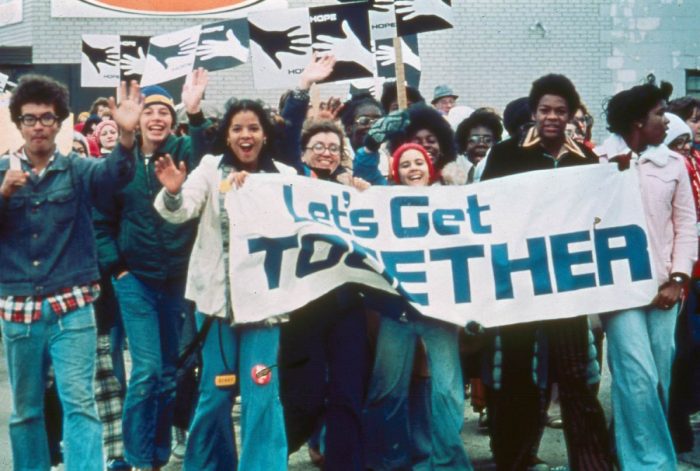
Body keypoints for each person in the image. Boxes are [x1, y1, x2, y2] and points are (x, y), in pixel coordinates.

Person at [0, 75, 141, 470]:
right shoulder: (1, 172)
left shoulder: (78, 169)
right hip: (18, 309)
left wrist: (127, 138)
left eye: (47, 117)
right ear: (19, 123)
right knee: (26, 410)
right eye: (30, 119)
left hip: (73, 306)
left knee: (80, 403)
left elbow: (115, 177)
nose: (39, 125)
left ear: (61, 122)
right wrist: (3, 195)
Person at [154, 98, 296, 471]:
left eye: (253, 128)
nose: (245, 135)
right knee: (216, 392)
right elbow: (180, 209)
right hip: (216, 308)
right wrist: (172, 191)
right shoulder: (209, 168)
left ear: (264, 135)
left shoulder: (284, 175)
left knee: (261, 390)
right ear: (227, 135)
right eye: (237, 128)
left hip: (265, 310)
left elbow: (306, 225)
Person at [482, 74, 613, 471]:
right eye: (544, 110)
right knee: (519, 377)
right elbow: (486, 209)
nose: (552, 117)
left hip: (568, 285)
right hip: (520, 283)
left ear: (572, 115)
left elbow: (600, 215)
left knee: (576, 377)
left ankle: (593, 464)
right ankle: (514, 460)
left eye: (559, 110)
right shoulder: (506, 154)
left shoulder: (586, 159)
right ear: (533, 112)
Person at [94, 68, 210, 470]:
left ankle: (158, 455)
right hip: (135, 280)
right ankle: (134, 456)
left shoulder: (183, 150)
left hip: (179, 281)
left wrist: (194, 114)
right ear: (137, 118)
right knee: (144, 371)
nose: (157, 118)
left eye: (164, 111)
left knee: (168, 374)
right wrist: (118, 270)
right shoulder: (120, 163)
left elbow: (208, 157)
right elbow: (101, 221)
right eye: (149, 111)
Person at [596, 82, 697, 469]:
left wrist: (678, 278)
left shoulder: (675, 164)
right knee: (635, 377)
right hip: (618, 289)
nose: (665, 120)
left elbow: (686, 225)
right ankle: (652, 464)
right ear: (638, 121)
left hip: (664, 290)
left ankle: (629, 453)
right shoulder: (597, 159)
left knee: (658, 378)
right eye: (659, 113)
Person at [363, 143, 473, 470]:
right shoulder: (383, 203)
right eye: (406, 164)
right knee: (388, 390)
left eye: (419, 162)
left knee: (448, 393)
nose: (413, 169)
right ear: (396, 172)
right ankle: (391, 461)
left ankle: (448, 463)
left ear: (430, 167)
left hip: (439, 313)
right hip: (396, 311)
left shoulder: (448, 200)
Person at [455, 109, 503, 182]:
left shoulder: (501, 171)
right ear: (464, 143)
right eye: (474, 139)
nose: (481, 144)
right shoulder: (453, 171)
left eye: (488, 140)